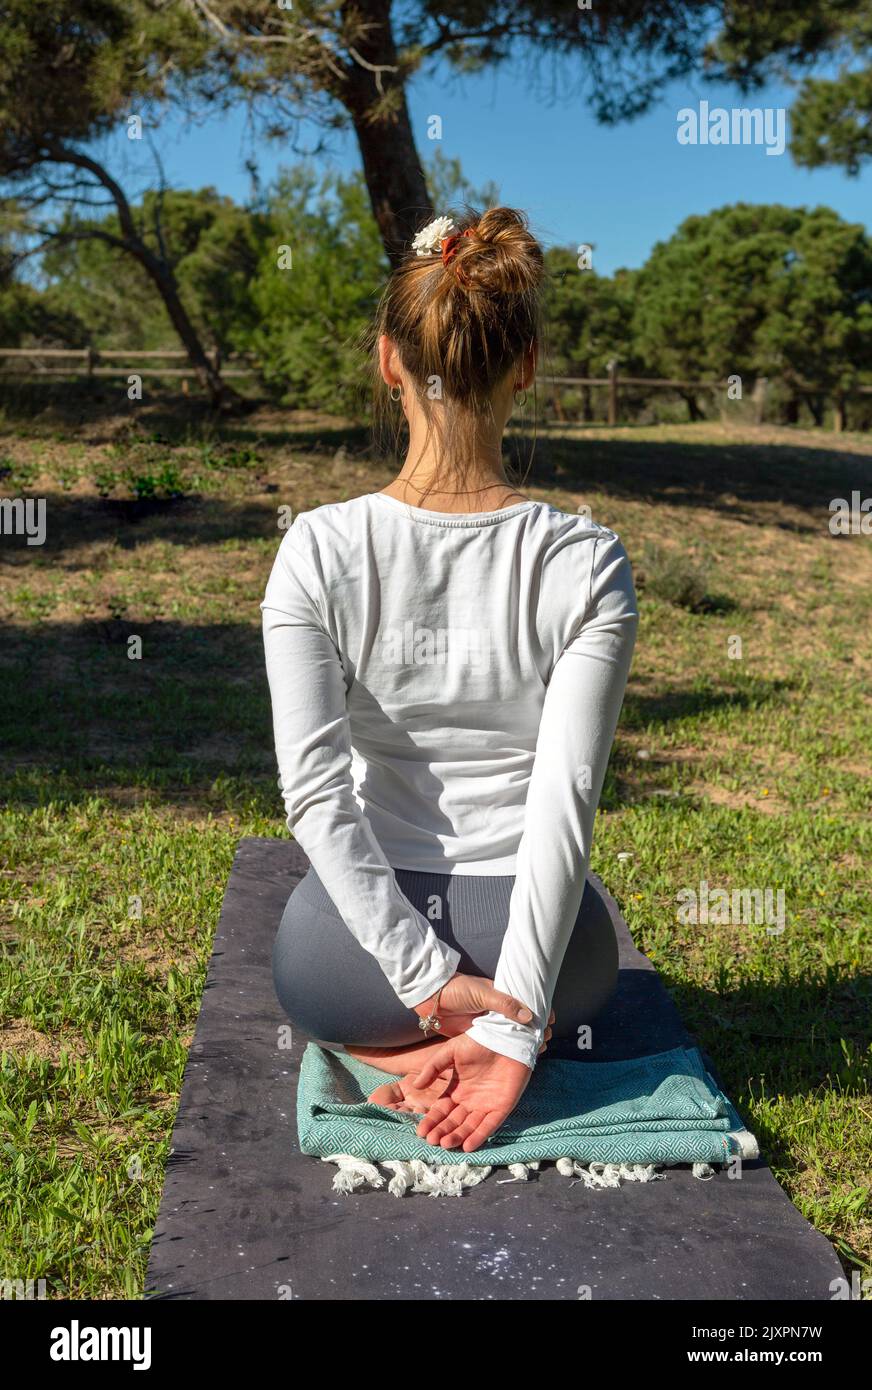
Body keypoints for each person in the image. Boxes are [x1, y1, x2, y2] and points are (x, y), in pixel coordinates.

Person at [262, 206, 638, 1155]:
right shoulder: (587, 559)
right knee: (588, 977)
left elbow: (314, 796)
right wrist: (516, 1016)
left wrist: (421, 976)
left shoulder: (316, 549)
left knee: (304, 975)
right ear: (528, 365)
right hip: (552, 959)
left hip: (352, 960)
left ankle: (411, 1050)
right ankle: (500, 1050)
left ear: (388, 362)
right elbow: (566, 800)